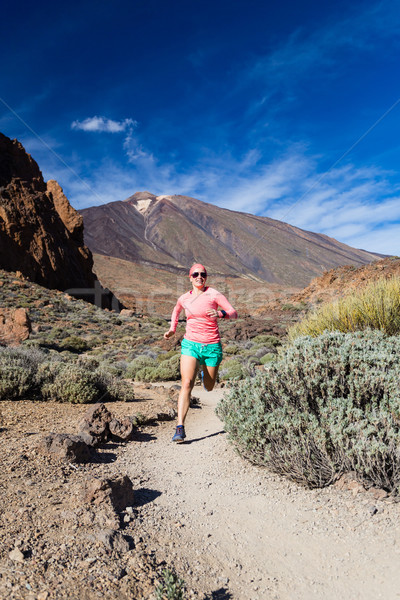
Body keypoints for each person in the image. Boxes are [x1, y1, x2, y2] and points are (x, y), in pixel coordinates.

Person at [164, 263, 238, 442]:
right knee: (187, 383)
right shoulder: (184, 298)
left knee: (210, 386)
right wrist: (173, 329)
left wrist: (220, 314)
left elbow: (233, 313)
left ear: (206, 277)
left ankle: (206, 374)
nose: (199, 277)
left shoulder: (214, 294)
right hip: (191, 345)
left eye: (202, 274)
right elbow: (176, 310)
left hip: (212, 347)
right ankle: (180, 427)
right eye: (195, 274)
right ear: (190, 278)